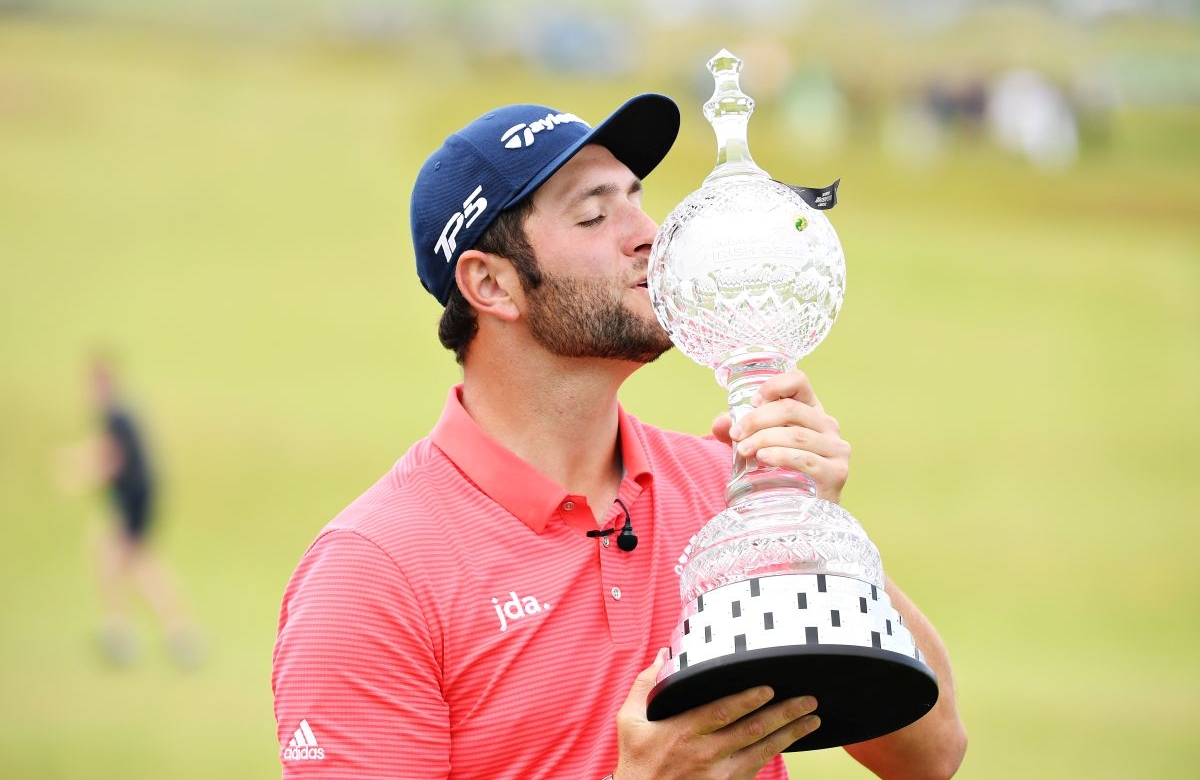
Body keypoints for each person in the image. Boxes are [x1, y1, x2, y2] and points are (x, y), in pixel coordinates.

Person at [272, 94, 967, 779]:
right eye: (595, 214)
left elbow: (931, 755)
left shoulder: (722, 488)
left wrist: (809, 524)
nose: (650, 234)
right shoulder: (370, 575)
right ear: (492, 284)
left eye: (638, 199)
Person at [56, 356, 202, 668]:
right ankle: (126, 630)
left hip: (135, 501)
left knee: (135, 564)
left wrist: (78, 473)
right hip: (134, 500)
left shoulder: (118, 416)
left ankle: (165, 634)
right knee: (114, 556)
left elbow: (112, 459)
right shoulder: (118, 415)